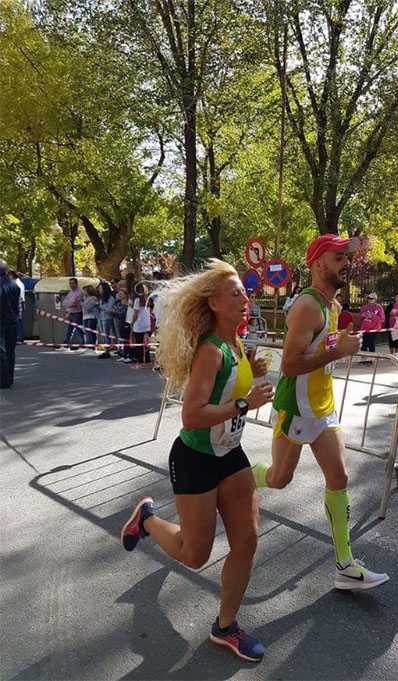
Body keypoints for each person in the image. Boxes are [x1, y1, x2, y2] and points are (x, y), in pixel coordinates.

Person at [120, 260, 273, 661]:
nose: (245, 298)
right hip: (196, 458)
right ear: (214, 303)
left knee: (248, 539)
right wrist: (245, 401)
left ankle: (225, 627)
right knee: (195, 554)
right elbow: (192, 415)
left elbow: (230, 383)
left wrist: (249, 370)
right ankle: (147, 519)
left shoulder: (235, 343)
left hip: (230, 455)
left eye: (244, 292)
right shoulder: (210, 350)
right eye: (236, 293)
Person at [251, 234, 389, 590]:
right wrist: (338, 352)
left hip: (323, 409)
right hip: (296, 408)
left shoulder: (333, 305)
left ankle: (345, 565)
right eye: (338, 257)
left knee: (339, 477)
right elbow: (291, 364)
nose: (346, 263)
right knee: (280, 479)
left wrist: (338, 343)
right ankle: (233, 474)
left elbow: (321, 352)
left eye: (347, 257)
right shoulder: (307, 306)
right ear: (317, 264)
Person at [0, 260, 20, 389]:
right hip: (12, 321)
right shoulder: (14, 285)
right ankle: (9, 377)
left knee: (1, 351)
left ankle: (3, 379)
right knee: (10, 351)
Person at [60, 277, 84, 349]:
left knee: (79, 330)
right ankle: (66, 344)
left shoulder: (79, 292)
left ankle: (83, 344)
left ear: (76, 284)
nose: (71, 285)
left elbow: (72, 303)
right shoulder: (71, 292)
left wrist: (69, 303)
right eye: (70, 283)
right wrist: (69, 303)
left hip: (77, 313)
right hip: (70, 313)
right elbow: (65, 302)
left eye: (72, 283)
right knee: (69, 329)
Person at [130, 283, 151, 364]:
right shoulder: (147, 299)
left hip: (138, 324)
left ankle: (140, 359)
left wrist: (132, 323)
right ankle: (147, 358)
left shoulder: (137, 300)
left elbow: (135, 313)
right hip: (147, 323)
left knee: (139, 343)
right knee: (146, 342)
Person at [97, 282, 115, 359]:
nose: (99, 290)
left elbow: (109, 308)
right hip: (101, 317)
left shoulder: (111, 298)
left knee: (106, 334)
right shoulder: (101, 298)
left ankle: (107, 350)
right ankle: (105, 349)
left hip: (107, 318)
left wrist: (99, 306)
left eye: (100, 288)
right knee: (103, 334)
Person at [9, 271, 25, 343]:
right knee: (18, 319)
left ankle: (18, 338)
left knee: (17, 320)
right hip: (19, 302)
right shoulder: (18, 283)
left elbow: (18, 295)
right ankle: (18, 337)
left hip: (18, 302)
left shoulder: (16, 284)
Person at [81, 285, 99, 350]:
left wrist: (81, 302)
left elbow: (88, 308)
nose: (83, 292)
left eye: (85, 291)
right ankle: (88, 344)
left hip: (91, 316)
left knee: (91, 331)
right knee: (87, 332)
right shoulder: (85, 298)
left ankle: (92, 345)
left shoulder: (93, 298)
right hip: (85, 316)